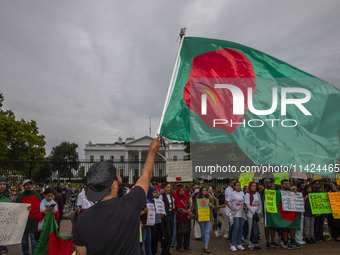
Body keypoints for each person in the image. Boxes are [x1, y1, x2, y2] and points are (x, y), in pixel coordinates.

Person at [72, 135, 160, 255]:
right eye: (118, 175)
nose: (120, 178)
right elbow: (146, 175)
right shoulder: (131, 204)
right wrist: (151, 152)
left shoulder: (81, 220)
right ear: (114, 185)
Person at [15, 179, 42, 255]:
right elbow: (17, 207)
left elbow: (40, 206)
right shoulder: (21, 196)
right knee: (24, 239)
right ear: (23, 186)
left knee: (34, 239)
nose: (28, 186)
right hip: (23, 221)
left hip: (33, 221)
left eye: (30, 184)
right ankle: (25, 253)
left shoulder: (36, 194)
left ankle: (35, 253)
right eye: (26, 185)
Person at [280, 179, 301, 249]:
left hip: (291, 212)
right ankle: (285, 242)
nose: (287, 185)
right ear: (282, 185)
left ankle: (292, 240)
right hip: (284, 213)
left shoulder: (291, 192)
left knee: (292, 226)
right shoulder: (279, 192)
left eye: (288, 184)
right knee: (284, 227)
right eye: (285, 184)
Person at [260, 179, 280, 249]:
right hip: (267, 211)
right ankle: (267, 242)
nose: (270, 184)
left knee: (273, 227)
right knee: (267, 227)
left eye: (271, 183)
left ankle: (272, 241)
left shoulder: (273, 191)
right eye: (269, 183)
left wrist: (274, 181)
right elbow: (262, 201)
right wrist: (265, 194)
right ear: (265, 184)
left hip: (273, 210)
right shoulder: (263, 191)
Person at [227, 181, 245, 252]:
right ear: (234, 187)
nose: (239, 186)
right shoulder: (232, 194)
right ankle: (233, 244)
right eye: (237, 185)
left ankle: (239, 244)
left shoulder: (242, 193)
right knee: (236, 228)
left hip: (241, 213)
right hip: (235, 214)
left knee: (241, 229)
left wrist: (244, 207)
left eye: (240, 185)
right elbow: (226, 201)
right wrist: (231, 208)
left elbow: (243, 202)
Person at [175, 186, 193, 252]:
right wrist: (186, 211)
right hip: (181, 217)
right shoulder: (177, 198)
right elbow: (178, 208)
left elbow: (189, 205)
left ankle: (186, 245)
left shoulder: (185, 198)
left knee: (187, 231)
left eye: (182, 190)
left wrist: (190, 210)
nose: (182, 192)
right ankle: (179, 246)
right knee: (180, 232)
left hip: (187, 217)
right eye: (180, 191)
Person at [146, 187, 164, 255]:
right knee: (151, 239)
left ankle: (154, 252)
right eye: (154, 192)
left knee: (156, 239)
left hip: (158, 221)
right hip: (151, 223)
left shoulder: (157, 201)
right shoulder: (147, 200)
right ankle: (150, 252)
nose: (156, 194)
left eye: (156, 192)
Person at [159, 182, 175, 255]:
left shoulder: (171, 196)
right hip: (165, 216)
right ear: (164, 188)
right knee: (167, 233)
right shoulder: (161, 196)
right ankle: (164, 250)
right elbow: (160, 206)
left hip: (171, 215)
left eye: (170, 187)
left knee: (171, 232)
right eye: (167, 187)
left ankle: (167, 250)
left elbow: (173, 206)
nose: (169, 188)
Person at [245, 181, 262, 251]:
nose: (254, 187)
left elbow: (260, 203)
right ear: (250, 187)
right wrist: (253, 212)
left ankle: (256, 243)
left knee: (257, 228)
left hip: (257, 214)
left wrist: (259, 212)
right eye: (252, 186)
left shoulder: (257, 193)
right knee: (251, 228)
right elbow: (247, 204)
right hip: (251, 214)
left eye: (255, 186)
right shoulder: (248, 194)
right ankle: (250, 244)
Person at [197, 186, 214, 253]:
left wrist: (211, 205)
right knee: (203, 232)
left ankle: (206, 245)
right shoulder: (198, 199)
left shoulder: (209, 198)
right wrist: (200, 216)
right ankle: (204, 244)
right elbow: (196, 208)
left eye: (205, 190)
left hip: (208, 217)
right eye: (203, 190)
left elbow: (214, 207)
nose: (205, 192)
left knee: (207, 232)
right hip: (202, 217)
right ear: (201, 191)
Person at [0, 177, 11, 255]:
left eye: (4, 184)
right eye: (0, 184)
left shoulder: (7, 200)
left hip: (1, 234)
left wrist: (26, 209)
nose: (2, 186)